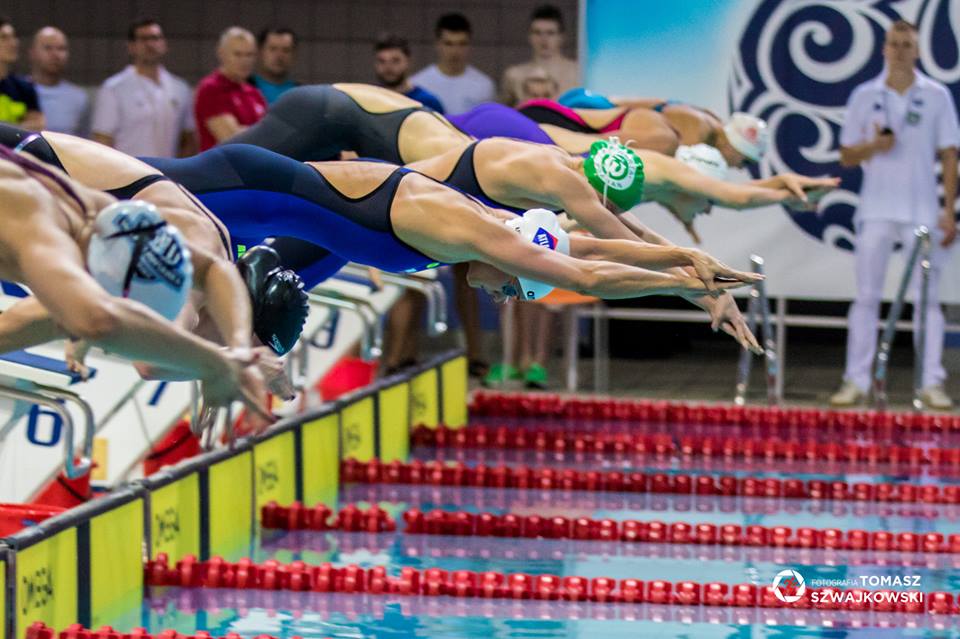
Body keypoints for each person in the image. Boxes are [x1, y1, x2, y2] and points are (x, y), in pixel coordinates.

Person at [139, 143, 761, 303]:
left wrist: (686, 264)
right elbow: (587, 274)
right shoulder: (478, 232)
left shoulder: (487, 228)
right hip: (247, 187)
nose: (502, 294)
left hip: (256, 215)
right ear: (516, 259)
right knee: (105, 183)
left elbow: (587, 246)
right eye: (514, 285)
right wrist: (685, 283)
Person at [0, 124, 307, 397]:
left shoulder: (119, 230)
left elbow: (214, 271)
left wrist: (238, 351)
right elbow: (139, 354)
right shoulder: (43, 238)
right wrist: (228, 362)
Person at [830, 20, 959, 409]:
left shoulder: (936, 95)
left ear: (917, 51)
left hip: (921, 210)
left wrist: (948, 211)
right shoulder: (863, 95)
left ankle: (930, 382)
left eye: (907, 44)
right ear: (883, 49)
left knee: (927, 299)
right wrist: (874, 146)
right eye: (894, 43)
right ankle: (856, 380)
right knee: (867, 296)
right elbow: (846, 156)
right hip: (876, 209)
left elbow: (949, 154)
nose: (900, 50)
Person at [228, 83, 472, 164]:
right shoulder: (449, 160)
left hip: (331, 120)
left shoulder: (464, 150)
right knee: (217, 174)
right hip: (318, 113)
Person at [516, 97, 770, 166]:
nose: (739, 168)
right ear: (735, 145)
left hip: (560, 117)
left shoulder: (707, 122)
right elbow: (586, 150)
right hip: (552, 120)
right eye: (744, 161)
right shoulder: (683, 137)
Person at [91, 18, 194, 158]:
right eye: (144, 39)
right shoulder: (113, 88)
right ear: (131, 46)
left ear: (164, 44)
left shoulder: (180, 88)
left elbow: (187, 139)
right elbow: (102, 140)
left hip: (168, 175)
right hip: (129, 174)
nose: (150, 44)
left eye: (155, 38)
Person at [195, 27, 266, 151]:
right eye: (238, 54)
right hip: (220, 168)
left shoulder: (254, 93)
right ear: (221, 53)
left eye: (249, 55)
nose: (245, 61)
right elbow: (231, 139)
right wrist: (265, 131)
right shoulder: (211, 89)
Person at [410, 13, 494, 115]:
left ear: (469, 46)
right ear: (437, 44)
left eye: (462, 44)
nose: (455, 51)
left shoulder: (484, 85)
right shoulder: (419, 83)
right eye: (448, 44)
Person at [500, 5, 579, 106]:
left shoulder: (577, 72)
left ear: (561, 37)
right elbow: (505, 112)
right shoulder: (514, 75)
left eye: (550, 33)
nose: (543, 39)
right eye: (537, 33)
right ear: (529, 36)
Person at [29, 27, 89, 136]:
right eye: (48, 48)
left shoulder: (78, 98)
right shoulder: (17, 92)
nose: (55, 54)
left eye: (61, 49)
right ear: (33, 53)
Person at [374, 33, 444, 113]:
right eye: (381, 61)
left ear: (408, 62)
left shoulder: (428, 103)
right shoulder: (368, 101)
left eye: (395, 60)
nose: (388, 67)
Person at [0, 17, 43, 130]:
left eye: (14, 37)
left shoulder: (23, 87)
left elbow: (38, 124)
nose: (13, 43)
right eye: (4, 37)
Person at [250, 27, 299, 105]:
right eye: (273, 49)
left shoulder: (302, 94)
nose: (279, 56)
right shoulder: (243, 89)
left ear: (294, 54)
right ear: (261, 52)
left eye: (286, 50)